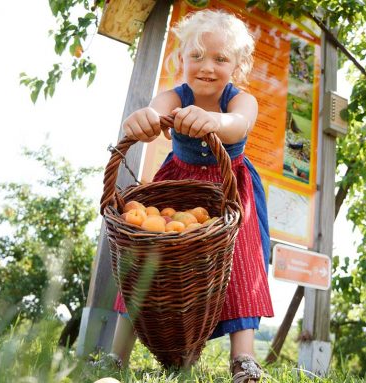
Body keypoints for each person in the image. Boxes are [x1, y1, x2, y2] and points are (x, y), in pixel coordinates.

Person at [110, 9, 274, 382]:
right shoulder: (174, 95)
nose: (206, 67)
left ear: (237, 65)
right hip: (179, 184)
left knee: (241, 261)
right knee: (146, 254)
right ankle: (116, 356)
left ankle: (243, 358)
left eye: (220, 58)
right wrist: (144, 120)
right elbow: (155, 112)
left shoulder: (240, 100)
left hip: (230, 188)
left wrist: (214, 122)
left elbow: (238, 125)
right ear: (181, 59)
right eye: (196, 56)